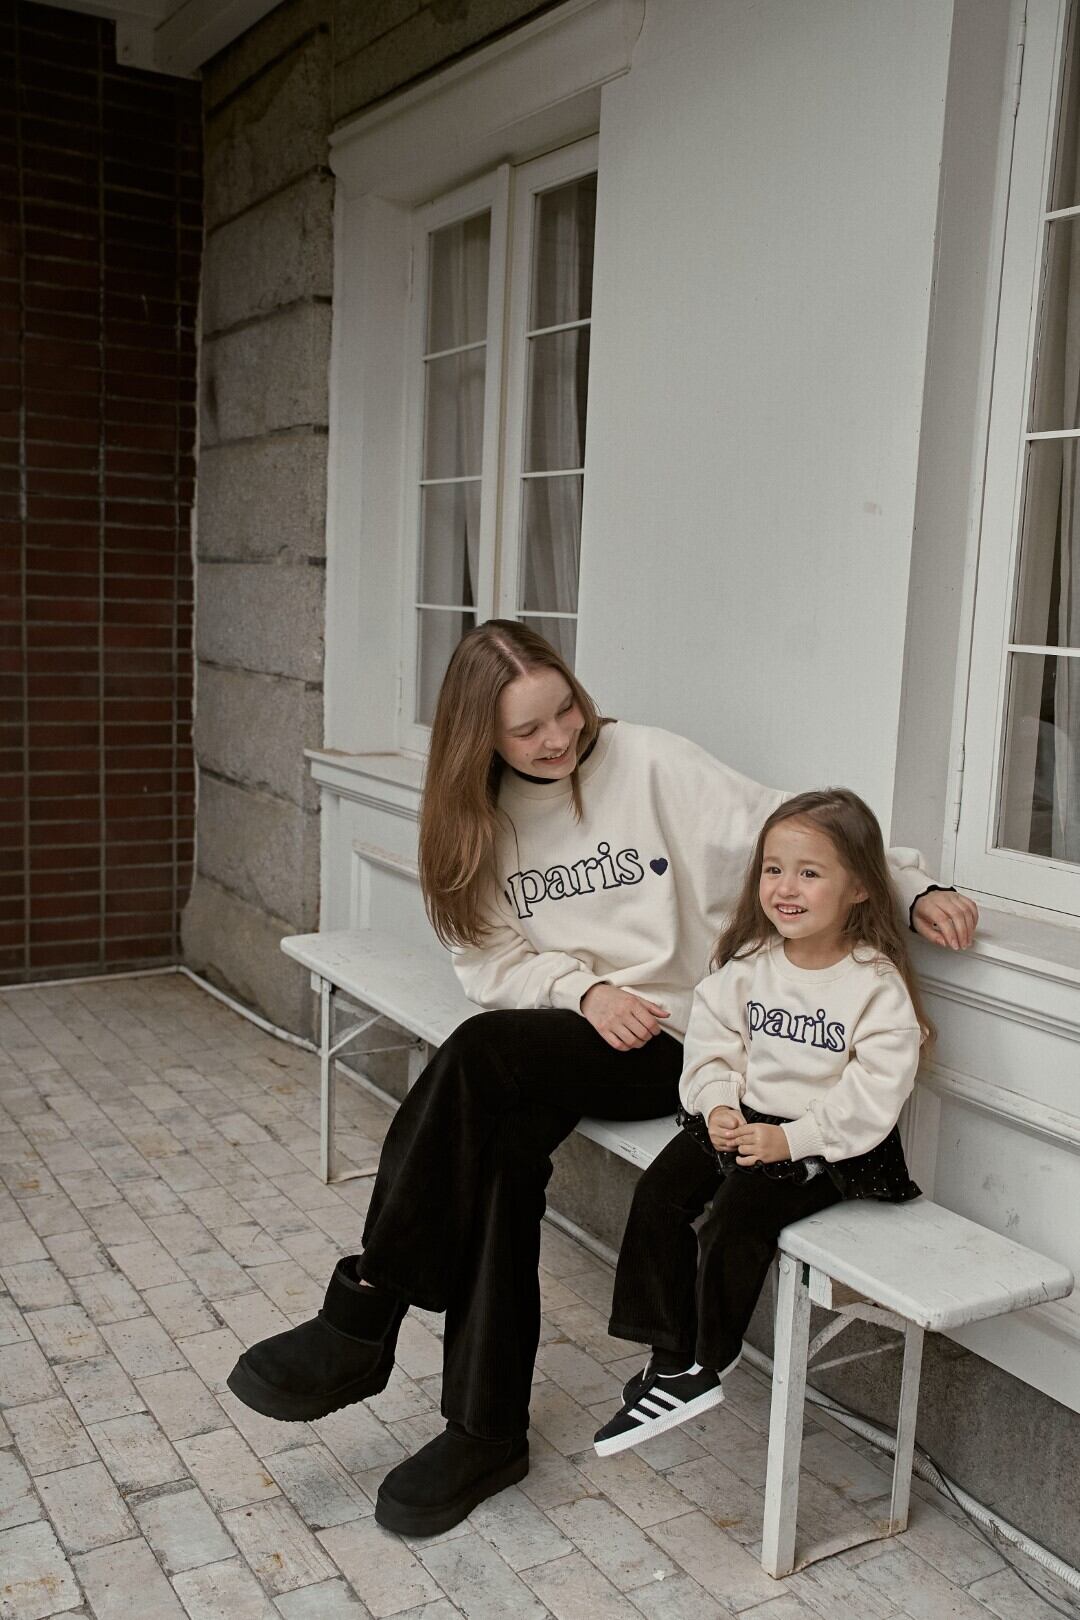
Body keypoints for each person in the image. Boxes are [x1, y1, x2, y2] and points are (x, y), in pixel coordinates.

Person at [226, 623, 976, 1537]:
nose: (557, 739)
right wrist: (582, 991)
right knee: (500, 1149)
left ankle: (366, 1309)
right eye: (526, 729)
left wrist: (912, 888)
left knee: (478, 1056)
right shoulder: (475, 818)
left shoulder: (651, 764)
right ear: (478, 738)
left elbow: (792, 825)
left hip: (682, 1042)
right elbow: (489, 962)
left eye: (565, 711)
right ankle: (484, 1431)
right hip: (579, 1029)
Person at [595, 788, 933, 1456]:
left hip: (827, 1142)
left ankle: (706, 1363)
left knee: (736, 1216)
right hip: (743, 1118)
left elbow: (874, 1093)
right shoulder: (750, 962)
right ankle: (669, 1355)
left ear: (860, 887)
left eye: (810, 873)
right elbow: (713, 1045)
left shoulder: (872, 984)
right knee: (659, 1192)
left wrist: (791, 1139)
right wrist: (719, 1104)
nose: (785, 887)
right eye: (774, 869)